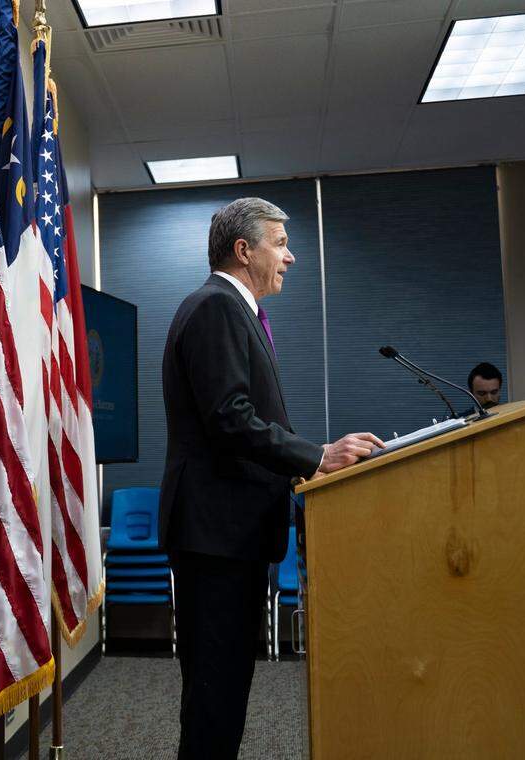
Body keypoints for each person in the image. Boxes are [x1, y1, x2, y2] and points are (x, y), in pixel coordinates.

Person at [159, 198, 384, 759]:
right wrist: (315, 456)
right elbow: (230, 417)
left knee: (226, 691)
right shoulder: (214, 307)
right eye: (280, 244)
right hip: (215, 536)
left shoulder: (237, 311)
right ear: (243, 250)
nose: (291, 256)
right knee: (215, 697)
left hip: (230, 534)